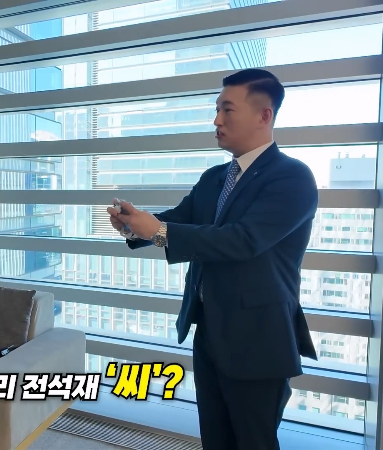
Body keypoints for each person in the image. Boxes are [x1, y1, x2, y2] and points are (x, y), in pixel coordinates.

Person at [107, 69, 318, 450]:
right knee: (215, 440)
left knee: (253, 442)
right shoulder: (215, 177)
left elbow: (243, 240)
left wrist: (156, 230)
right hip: (209, 331)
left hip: (258, 340)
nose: (216, 120)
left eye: (227, 110)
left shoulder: (292, 178)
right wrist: (133, 227)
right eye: (217, 109)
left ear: (264, 115)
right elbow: (180, 219)